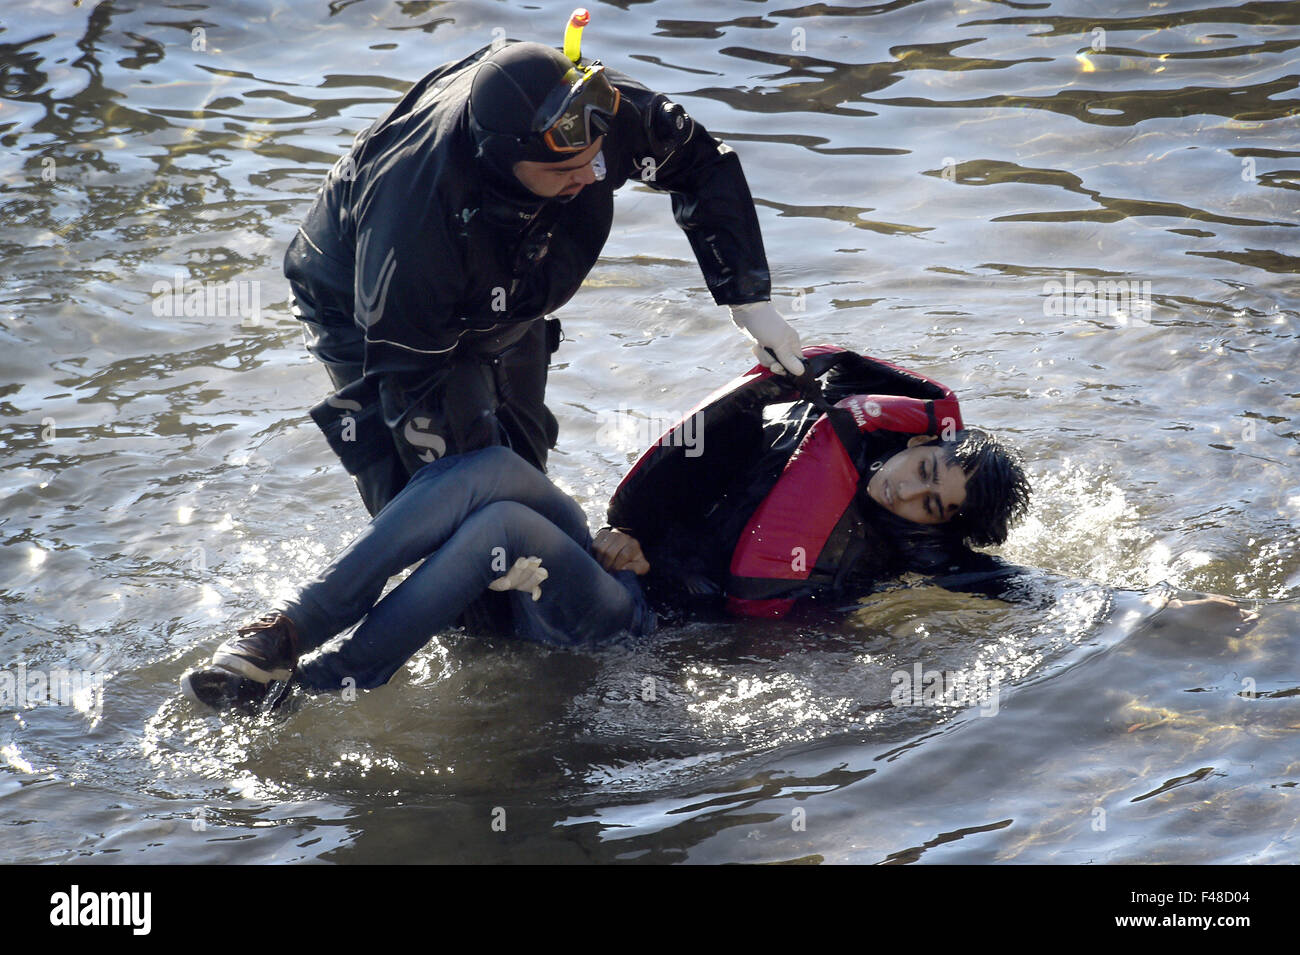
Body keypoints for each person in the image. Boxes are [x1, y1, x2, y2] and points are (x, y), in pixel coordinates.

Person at [180, 348, 1034, 714]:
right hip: (613, 563)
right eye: (924, 469)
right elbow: (688, 470)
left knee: (504, 526)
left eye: (929, 502)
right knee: (489, 471)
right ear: (922, 439)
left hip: (638, 621)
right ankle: (283, 632)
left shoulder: (888, 559)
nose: (908, 489)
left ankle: (324, 685)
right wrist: (623, 529)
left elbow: (1010, 588)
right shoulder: (813, 431)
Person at [286, 20, 805, 519]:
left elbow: (701, 166)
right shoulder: (417, 220)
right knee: (428, 495)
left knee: (522, 457)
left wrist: (748, 299)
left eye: (596, 161)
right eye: (563, 171)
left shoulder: (600, 114)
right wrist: (463, 516)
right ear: (499, 161)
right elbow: (408, 383)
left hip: (509, 269)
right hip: (360, 296)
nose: (587, 179)